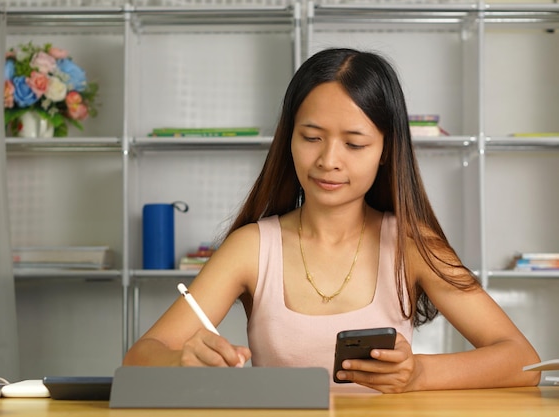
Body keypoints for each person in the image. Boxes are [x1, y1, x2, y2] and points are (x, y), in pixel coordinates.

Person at [123, 48, 541, 393]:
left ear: (386, 150)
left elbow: (523, 362)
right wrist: (181, 360)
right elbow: (140, 358)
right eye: (311, 138)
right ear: (288, 139)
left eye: (354, 144)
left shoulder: (412, 243)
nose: (328, 161)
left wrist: (420, 374)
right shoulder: (252, 247)